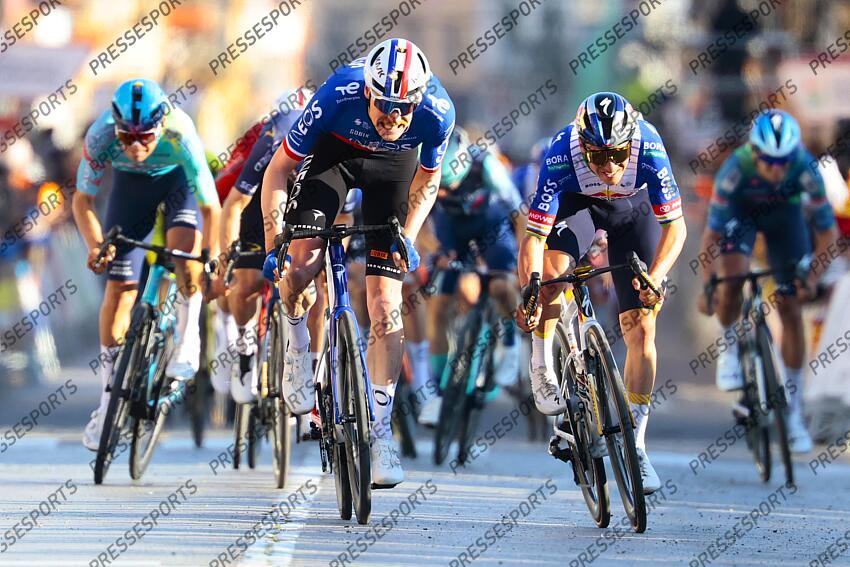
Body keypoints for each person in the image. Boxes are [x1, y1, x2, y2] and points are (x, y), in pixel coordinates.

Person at [260, 38, 455, 488]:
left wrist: (407, 236)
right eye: (386, 106)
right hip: (336, 156)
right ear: (367, 91)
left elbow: (429, 179)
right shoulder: (337, 93)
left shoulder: (438, 112)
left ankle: (380, 432)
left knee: (386, 304)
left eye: (405, 109)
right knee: (300, 267)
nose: (395, 118)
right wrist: (274, 245)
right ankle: (297, 347)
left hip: (394, 168)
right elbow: (277, 171)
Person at [516, 92, 687, 494]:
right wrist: (531, 287)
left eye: (617, 154)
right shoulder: (562, 151)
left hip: (632, 211)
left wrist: (656, 277)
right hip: (578, 208)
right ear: (583, 146)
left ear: (630, 145)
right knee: (553, 278)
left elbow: (675, 228)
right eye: (598, 156)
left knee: (641, 327)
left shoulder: (649, 146)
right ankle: (541, 364)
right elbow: (534, 236)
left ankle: (637, 446)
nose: (609, 165)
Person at [73, 79, 220, 450]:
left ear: (162, 124)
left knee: (185, 255)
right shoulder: (100, 134)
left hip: (177, 185)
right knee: (119, 291)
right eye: (126, 138)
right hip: (130, 189)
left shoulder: (181, 132)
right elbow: (82, 201)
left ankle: (187, 339)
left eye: (145, 137)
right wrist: (95, 246)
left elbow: (210, 208)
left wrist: (212, 255)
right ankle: (108, 401)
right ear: (116, 127)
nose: (135, 147)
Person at [697, 109, 839, 453]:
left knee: (790, 307)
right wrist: (709, 283)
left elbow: (828, 234)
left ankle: (793, 414)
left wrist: (812, 277)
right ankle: (729, 348)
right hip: (741, 216)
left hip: (785, 223)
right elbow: (711, 237)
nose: (777, 169)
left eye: (783, 161)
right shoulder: (736, 168)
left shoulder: (804, 167)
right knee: (732, 279)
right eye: (770, 161)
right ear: (755, 153)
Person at [215, 88, 314, 405]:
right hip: (262, 201)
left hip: (309, 198)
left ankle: (311, 361)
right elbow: (233, 204)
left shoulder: (328, 135)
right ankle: (245, 347)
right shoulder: (268, 138)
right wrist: (227, 255)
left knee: (312, 285)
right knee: (247, 282)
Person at [419, 126, 523, 426]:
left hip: (491, 226)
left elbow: (519, 214)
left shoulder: (485, 164)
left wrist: (522, 261)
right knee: (439, 307)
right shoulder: (425, 166)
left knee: (501, 287)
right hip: (452, 231)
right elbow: (419, 224)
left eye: (452, 185)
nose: (447, 192)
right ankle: (440, 390)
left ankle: (510, 345)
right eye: (442, 188)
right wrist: (437, 250)